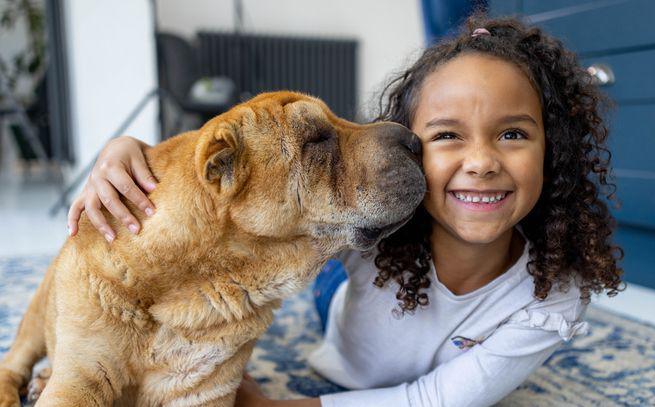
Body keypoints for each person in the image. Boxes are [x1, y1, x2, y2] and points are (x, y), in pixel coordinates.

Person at [67, 11, 624, 407]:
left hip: (376, 302)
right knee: (287, 253)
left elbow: (434, 399)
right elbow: (220, 209)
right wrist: (132, 153)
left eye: (512, 133)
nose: (480, 162)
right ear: (413, 147)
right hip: (348, 291)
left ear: (556, 149)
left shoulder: (555, 295)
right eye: (448, 134)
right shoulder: (378, 222)